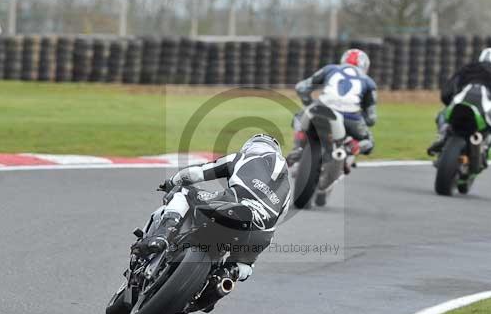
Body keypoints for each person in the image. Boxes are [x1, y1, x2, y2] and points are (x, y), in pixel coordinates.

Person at [131, 134, 290, 282]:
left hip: (234, 204)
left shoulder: (242, 157)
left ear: (249, 147)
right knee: (244, 266)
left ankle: (162, 236)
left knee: (183, 192)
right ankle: (222, 282)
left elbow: (197, 173)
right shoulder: (287, 188)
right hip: (261, 232)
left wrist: (172, 181)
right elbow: (278, 219)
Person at [287, 49, 378, 165]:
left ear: (343, 60)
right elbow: (371, 119)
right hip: (350, 118)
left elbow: (301, 88)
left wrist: (309, 104)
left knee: (299, 117)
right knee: (369, 142)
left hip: (322, 108)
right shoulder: (369, 82)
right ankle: (351, 148)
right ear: (365, 66)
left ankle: (298, 147)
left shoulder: (330, 69)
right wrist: (360, 118)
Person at [427, 47, 491, 155]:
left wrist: (450, 102)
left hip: (460, 103)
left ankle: (442, 136)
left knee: (441, 114)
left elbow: (446, 93)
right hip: (483, 109)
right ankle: (485, 145)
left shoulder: (466, 68)